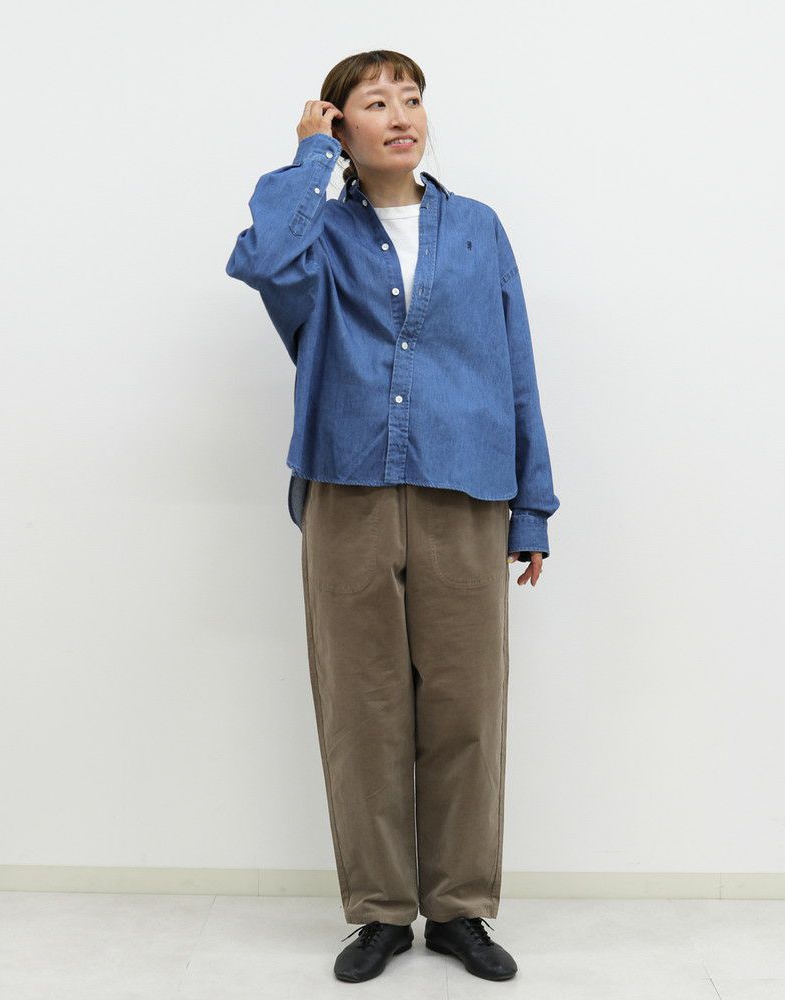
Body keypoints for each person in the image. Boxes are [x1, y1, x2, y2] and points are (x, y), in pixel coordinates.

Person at [226, 49, 560, 984]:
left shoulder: (478, 228)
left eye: (411, 98)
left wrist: (533, 505)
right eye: (375, 102)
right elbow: (263, 260)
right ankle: (377, 912)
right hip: (347, 489)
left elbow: (516, 362)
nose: (402, 114)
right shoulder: (319, 233)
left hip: (467, 489)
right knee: (361, 708)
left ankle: (458, 910)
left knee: (465, 709)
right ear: (341, 123)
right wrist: (308, 158)